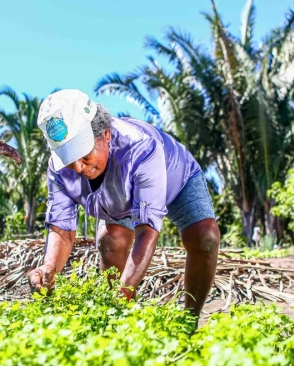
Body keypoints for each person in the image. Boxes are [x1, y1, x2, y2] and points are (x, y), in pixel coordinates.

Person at [27, 89, 220, 317]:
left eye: (84, 154)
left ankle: (190, 320)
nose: (79, 168)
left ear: (105, 134)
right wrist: (49, 267)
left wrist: (122, 292)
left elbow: (147, 231)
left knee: (205, 238)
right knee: (110, 243)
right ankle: (125, 323)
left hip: (175, 177)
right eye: (68, 158)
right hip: (118, 196)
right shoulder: (59, 169)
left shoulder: (140, 148)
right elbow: (61, 229)